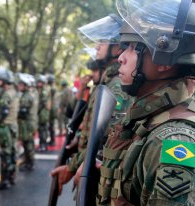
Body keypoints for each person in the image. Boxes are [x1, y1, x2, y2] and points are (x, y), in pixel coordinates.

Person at [75, 0, 195, 206]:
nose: (121, 58)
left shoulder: (177, 141)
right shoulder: (154, 118)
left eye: (134, 47)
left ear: (164, 58)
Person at [51, 14, 132, 194]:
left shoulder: (115, 87)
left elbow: (106, 141)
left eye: (102, 42)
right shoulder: (106, 83)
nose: (96, 46)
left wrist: (72, 166)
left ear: (117, 48)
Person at [0, 68, 19, 190]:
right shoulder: (13, 92)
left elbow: (3, 113)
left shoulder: (5, 94)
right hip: (12, 126)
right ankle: (11, 177)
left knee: (5, 154)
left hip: (5, 127)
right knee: (12, 152)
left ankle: (5, 180)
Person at [17, 73, 36, 171]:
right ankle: (28, 161)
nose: (19, 86)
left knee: (28, 143)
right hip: (27, 123)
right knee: (26, 143)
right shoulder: (25, 95)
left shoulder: (26, 97)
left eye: (21, 84)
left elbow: (22, 112)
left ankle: (30, 162)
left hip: (27, 124)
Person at [36, 74, 50, 152]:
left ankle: (43, 145)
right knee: (42, 130)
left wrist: (37, 112)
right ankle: (42, 144)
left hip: (42, 114)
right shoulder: (40, 91)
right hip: (42, 113)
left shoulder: (43, 92)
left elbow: (42, 103)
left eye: (39, 82)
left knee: (43, 130)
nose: (38, 84)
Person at [46, 74, 58, 145]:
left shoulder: (52, 88)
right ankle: (52, 140)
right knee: (51, 125)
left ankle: (53, 141)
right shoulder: (53, 88)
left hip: (52, 109)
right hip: (53, 108)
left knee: (51, 125)